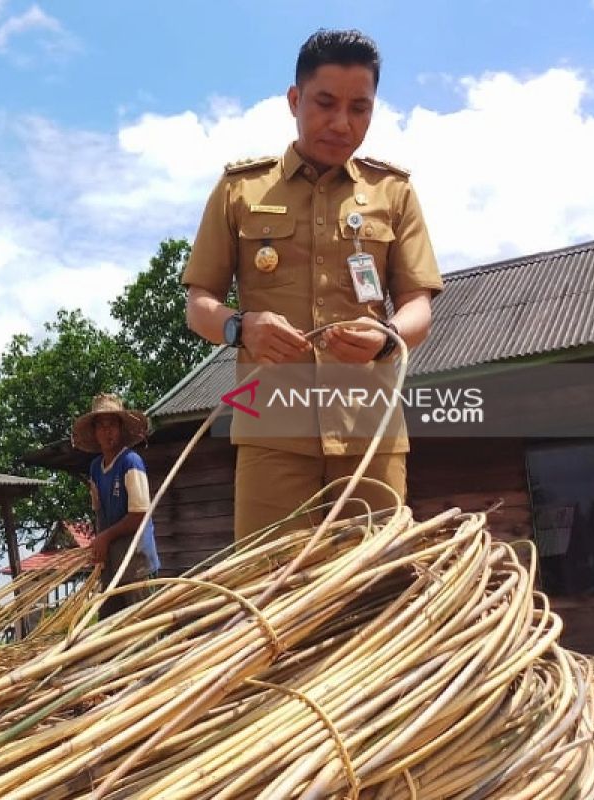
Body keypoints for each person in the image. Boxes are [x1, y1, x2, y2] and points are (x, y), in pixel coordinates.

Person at [183, 29, 444, 540]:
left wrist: (385, 335)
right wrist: (240, 327)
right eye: (325, 103)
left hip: (371, 433)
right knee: (267, 588)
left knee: (378, 588)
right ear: (295, 100)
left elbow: (418, 306)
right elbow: (199, 304)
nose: (342, 123)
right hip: (271, 431)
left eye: (360, 108)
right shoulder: (240, 189)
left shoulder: (394, 192)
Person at [72, 393, 162, 620]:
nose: (107, 431)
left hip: (135, 564)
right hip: (112, 565)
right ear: (95, 432)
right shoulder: (95, 468)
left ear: (120, 428)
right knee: (109, 627)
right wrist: (97, 545)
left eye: (112, 424)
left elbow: (140, 514)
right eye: (101, 426)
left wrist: (105, 537)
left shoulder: (131, 463)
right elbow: (99, 513)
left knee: (141, 631)